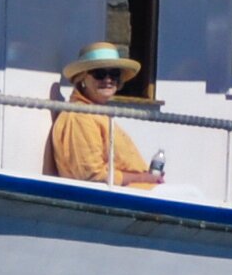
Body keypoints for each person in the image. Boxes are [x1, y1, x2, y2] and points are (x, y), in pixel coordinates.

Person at [43, 42, 162, 187]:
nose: (108, 80)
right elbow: (92, 175)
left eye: (114, 74)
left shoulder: (97, 112)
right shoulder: (80, 116)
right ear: (82, 78)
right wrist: (144, 178)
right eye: (99, 74)